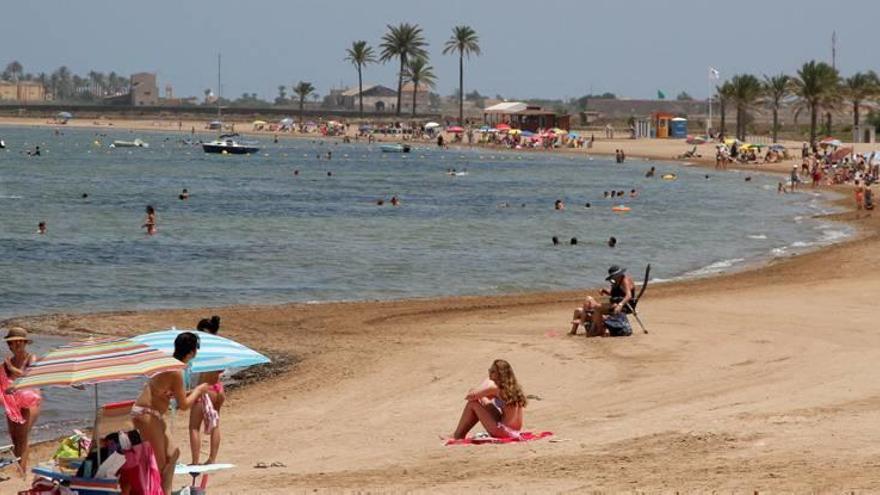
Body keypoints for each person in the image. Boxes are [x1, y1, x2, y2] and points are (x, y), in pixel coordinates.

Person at [132, 332, 210, 495]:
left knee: (173, 454)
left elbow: (168, 391)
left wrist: (188, 392)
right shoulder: (176, 371)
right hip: (147, 414)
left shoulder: (169, 363)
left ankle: (164, 492)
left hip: (152, 414)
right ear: (192, 352)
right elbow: (184, 405)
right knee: (160, 464)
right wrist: (199, 390)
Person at [451, 360, 527, 440]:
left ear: (500, 374)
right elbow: (486, 397)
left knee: (472, 403)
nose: (489, 373)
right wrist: (481, 396)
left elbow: (470, 396)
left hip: (503, 431)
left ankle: (458, 435)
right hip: (515, 430)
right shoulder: (512, 388)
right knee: (482, 399)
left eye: (492, 371)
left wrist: (487, 381)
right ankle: (459, 433)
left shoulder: (494, 388)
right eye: (489, 370)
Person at [1, 327, 42, 476]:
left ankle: (22, 473)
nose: (17, 344)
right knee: (15, 438)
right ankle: (19, 469)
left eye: (20, 341)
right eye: (13, 342)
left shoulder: (32, 358)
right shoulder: (6, 363)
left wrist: (13, 369)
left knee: (22, 437)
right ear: (9, 345)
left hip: (30, 400)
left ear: (25, 343)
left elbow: (31, 376)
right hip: (12, 402)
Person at [190, 321, 225, 465]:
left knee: (194, 426)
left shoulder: (203, 349)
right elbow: (221, 370)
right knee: (215, 424)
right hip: (218, 389)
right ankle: (212, 458)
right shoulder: (220, 347)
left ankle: (195, 461)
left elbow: (193, 366)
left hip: (205, 389)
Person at [570, 265, 635, 337]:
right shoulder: (617, 281)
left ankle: (597, 330)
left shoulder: (624, 280)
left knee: (596, 307)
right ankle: (575, 329)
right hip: (615, 303)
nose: (613, 278)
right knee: (587, 300)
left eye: (614, 276)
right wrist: (605, 291)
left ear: (618, 274)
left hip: (622, 305)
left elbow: (629, 295)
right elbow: (616, 294)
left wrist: (620, 305)